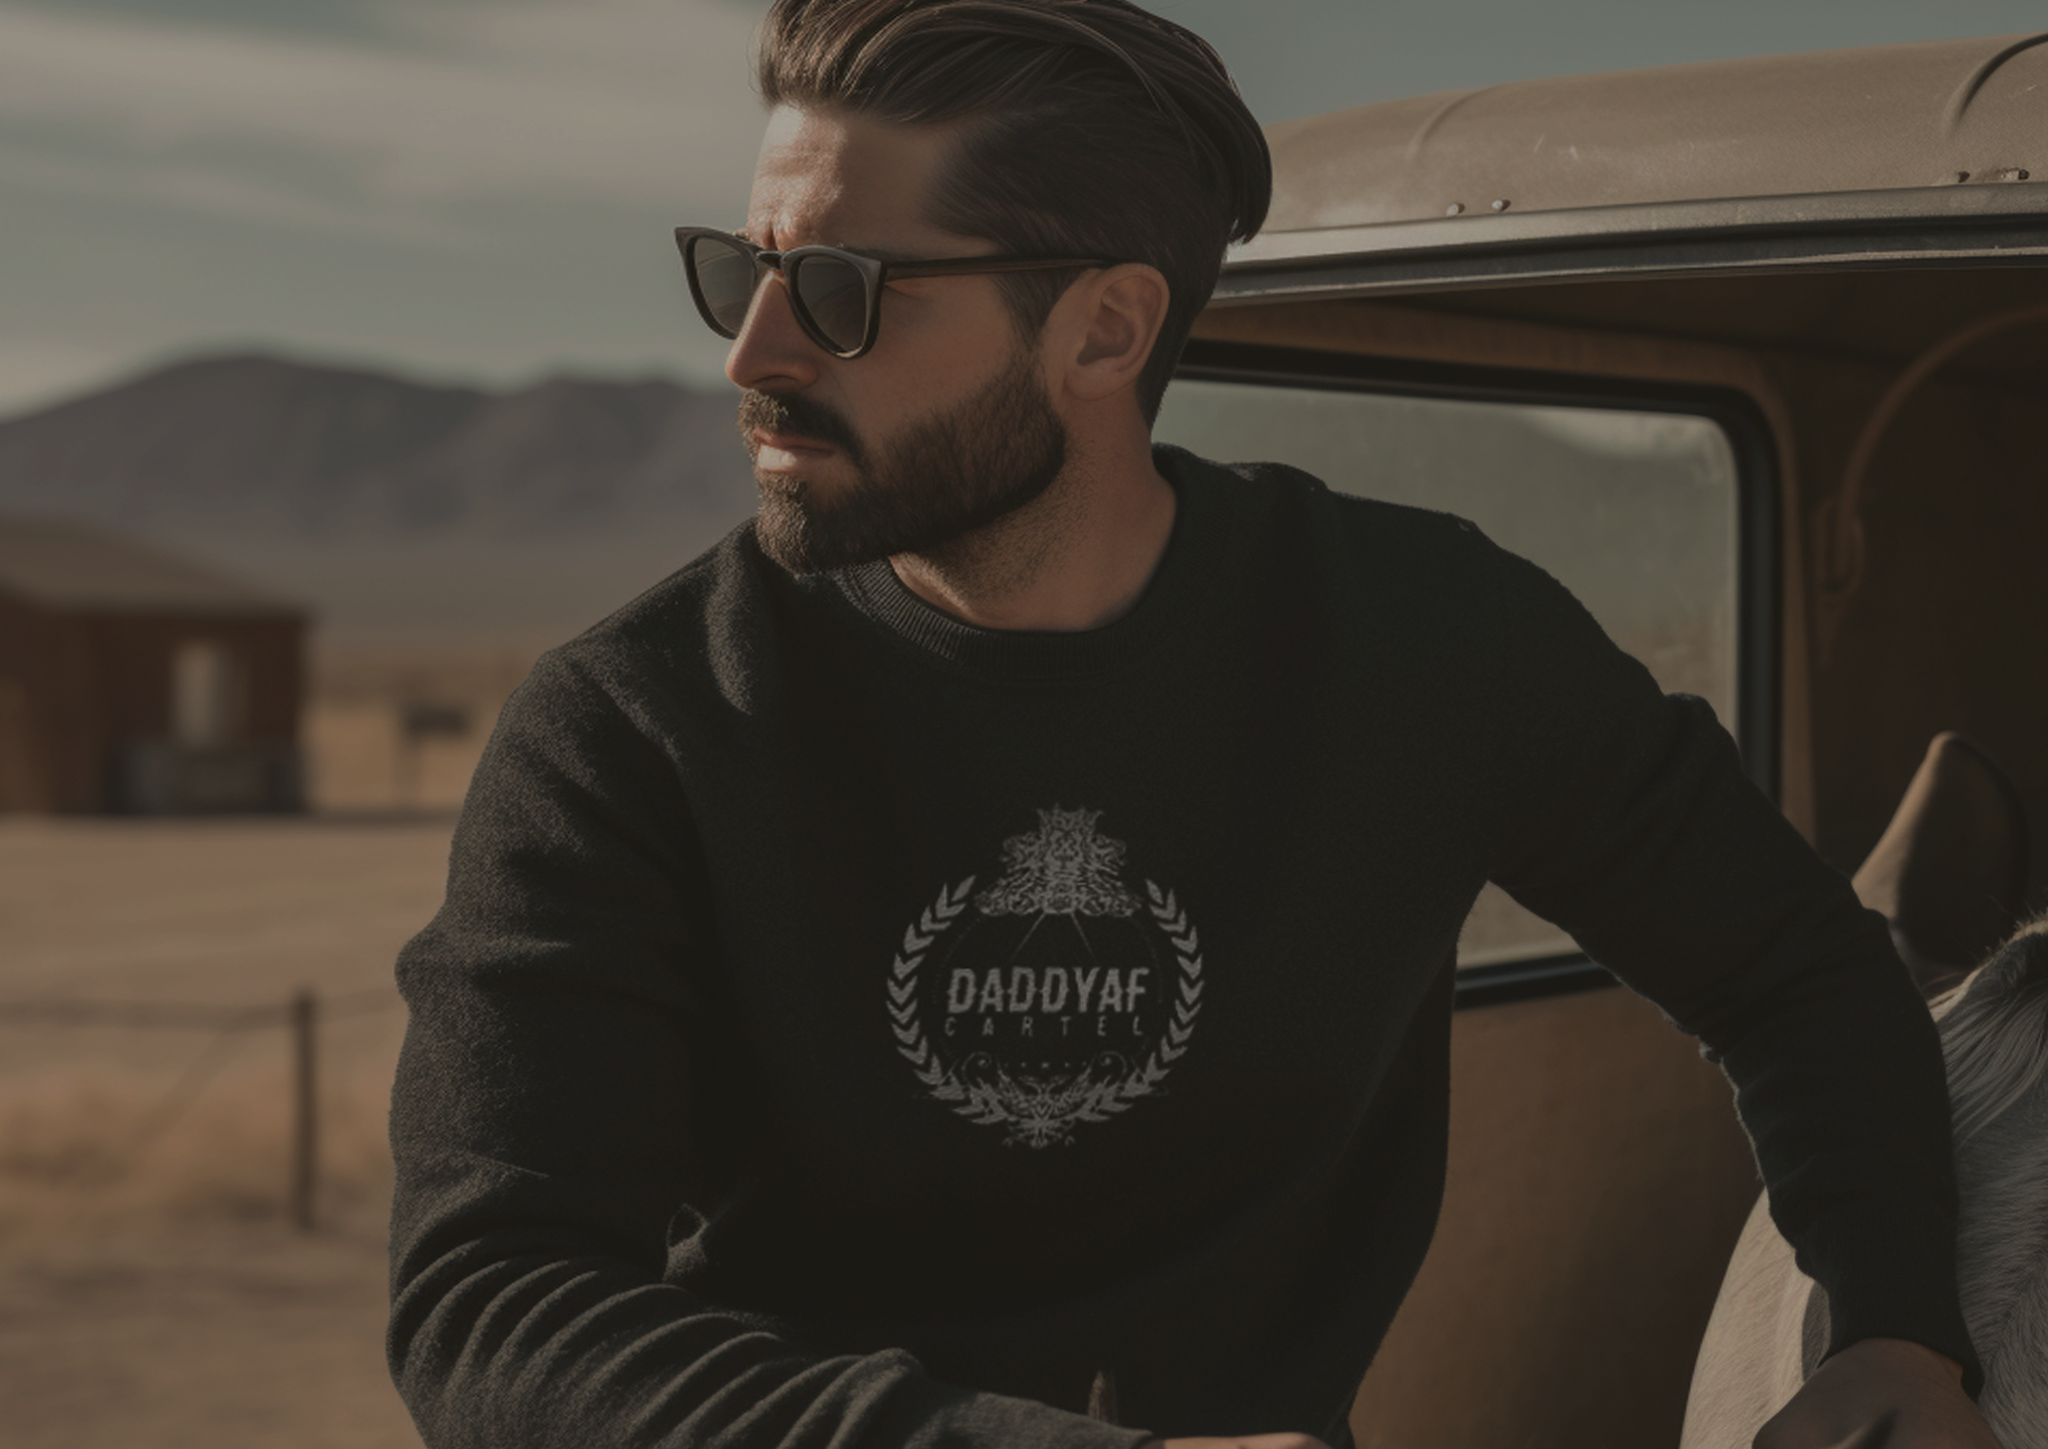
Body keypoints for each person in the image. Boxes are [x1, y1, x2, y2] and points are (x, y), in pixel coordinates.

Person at [386, 3, 1999, 1447]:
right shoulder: (630, 725)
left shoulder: (1430, 638)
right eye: (742, 270)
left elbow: (1793, 969)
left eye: (839, 291)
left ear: (1102, 330)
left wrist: (1899, 1332)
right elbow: (496, 1305)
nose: (752, 350)